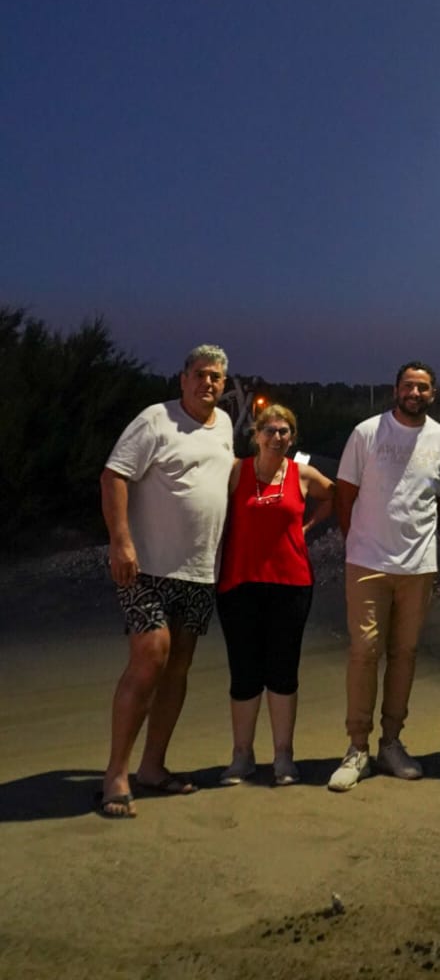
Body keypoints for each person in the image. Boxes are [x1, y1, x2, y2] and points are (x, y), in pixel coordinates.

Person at [98, 344, 234, 819]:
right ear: (182, 379)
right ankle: (116, 772)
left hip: (198, 572)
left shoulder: (226, 428)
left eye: (216, 376)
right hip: (146, 567)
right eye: (199, 374)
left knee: (178, 668)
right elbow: (113, 475)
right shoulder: (156, 419)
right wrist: (121, 542)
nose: (208, 383)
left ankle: (152, 767)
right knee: (151, 656)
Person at [328, 363, 440, 790]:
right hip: (367, 563)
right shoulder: (367, 433)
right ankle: (357, 746)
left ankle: (391, 743)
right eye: (408, 386)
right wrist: (358, 541)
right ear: (395, 390)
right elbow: (343, 494)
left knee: (405, 654)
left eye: (422, 387)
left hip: (416, 568)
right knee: (364, 651)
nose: (415, 392)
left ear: (432, 393)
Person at [215, 404, 334, 786]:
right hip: (239, 583)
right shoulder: (237, 472)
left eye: (284, 431)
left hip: (291, 583)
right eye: (270, 430)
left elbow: (334, 495)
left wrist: (309, 525)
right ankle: (242, 756)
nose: (277, 437)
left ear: (292, 436)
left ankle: (284, 756)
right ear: (256, 434)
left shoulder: (302, 475)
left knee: (282, 670)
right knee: (245, 672)